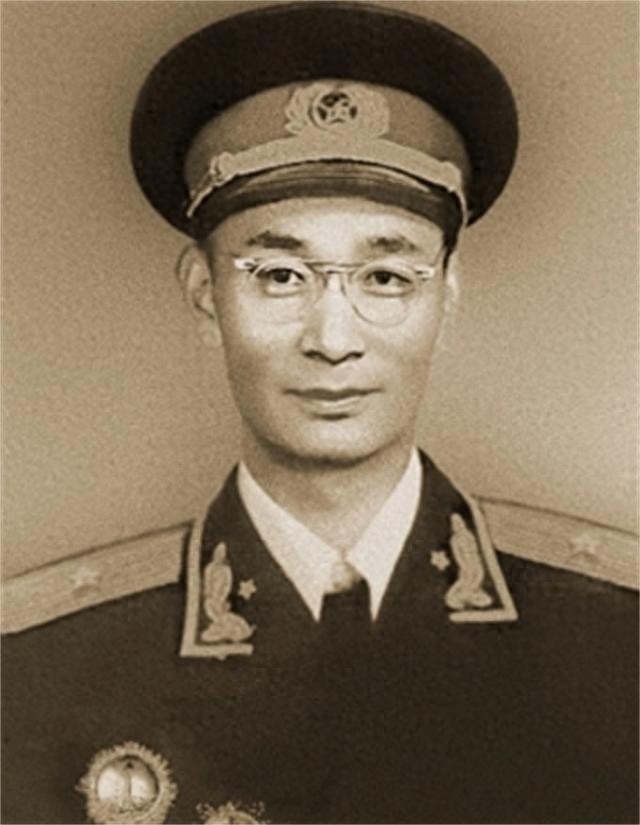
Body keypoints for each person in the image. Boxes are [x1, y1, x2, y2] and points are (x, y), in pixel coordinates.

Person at [2, 3, 637, 824]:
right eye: (279, 276)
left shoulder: (615, 645)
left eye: (386, 278)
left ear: (446, 296)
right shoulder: (38, 673)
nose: (333, 339)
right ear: (205, 294)